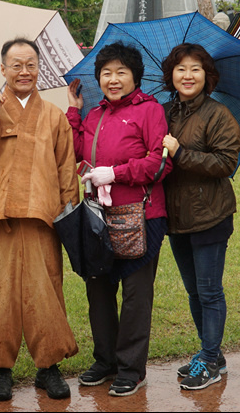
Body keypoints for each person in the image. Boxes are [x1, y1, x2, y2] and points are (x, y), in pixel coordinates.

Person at [0, 38, 79, 402]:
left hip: (43, 219)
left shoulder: (54, 115)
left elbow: (65, 169)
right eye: (16, 65)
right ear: (3, 70)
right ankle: (1, 369)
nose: (24, 71)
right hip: (0, 219)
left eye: (30, 64)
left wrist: (69, 214)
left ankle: (49, 366)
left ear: (40, 68)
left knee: (46, 293)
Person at [66, 42, 172, 397]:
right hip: (98, 217)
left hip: (141, 216)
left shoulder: (150, 111)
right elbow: (77, 150)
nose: (113, 79)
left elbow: (160, 163)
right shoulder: (94, 115)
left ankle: (131, 368)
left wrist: (116, 173)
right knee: (98, 289)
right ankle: (105, 360)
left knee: (136, 296)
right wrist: (73, 113)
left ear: (135, 77)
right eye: (106, 73)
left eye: (121, 72)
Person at [159, 44, 240, 390]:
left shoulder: (218, 114)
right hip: (176, 218)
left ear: (207, 75)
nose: (187, 75)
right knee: (193, 292)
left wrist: (180, 153)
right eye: (181, 69)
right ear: (171, 75)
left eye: (195, 69)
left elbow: (225, 163)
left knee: (209, 291)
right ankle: (211, 353)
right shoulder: (164, 112)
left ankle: (209, 360)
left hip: (210, 216)